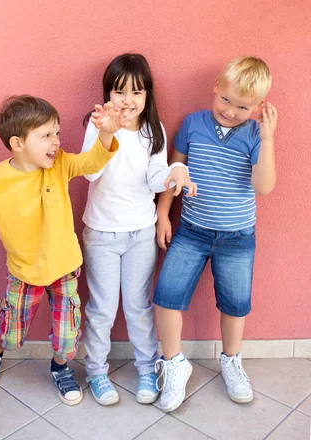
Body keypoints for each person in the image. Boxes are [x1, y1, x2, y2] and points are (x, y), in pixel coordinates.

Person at [0, 94, 123, 406]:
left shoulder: (60, 164)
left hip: (65, 268)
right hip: (24, 272)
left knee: (68, 335)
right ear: (17, 143)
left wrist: (107, 132)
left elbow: (93, 160)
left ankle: (60, 366)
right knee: (11, 332)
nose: (56, 142)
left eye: (56, 133)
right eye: (45, 136)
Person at [153, 56, 277, 412]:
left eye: (243, 106)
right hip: (191, 230)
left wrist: (267, 140)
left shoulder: (254, 134)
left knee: (235, 304)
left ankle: (231, 360)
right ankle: (175, 362)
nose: (231, 111)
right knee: (166, 296)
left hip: (237, 236)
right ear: (216, 89)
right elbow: (174, 173)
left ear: (257, 108)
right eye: (226, 100)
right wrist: (163, 214)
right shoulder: (193, 124)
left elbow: (263, 187)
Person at [81, 54, 197, 406]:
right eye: (119, 91)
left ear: (148, 95)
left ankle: (148, 368)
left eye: (136, 91)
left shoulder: (153, 130)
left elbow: (152, 175)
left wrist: (173, 175)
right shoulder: (97, 124)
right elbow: (89, 173)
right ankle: (97, 372)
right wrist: (105, 135)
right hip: (101, 232)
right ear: (107, 95)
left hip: (141, 232)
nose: (127, 100)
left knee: (137, 305)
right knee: (102, 307)